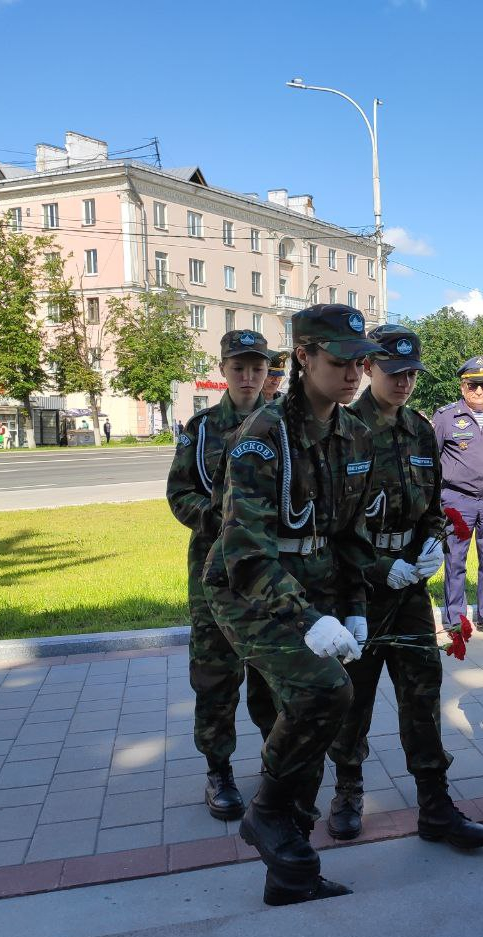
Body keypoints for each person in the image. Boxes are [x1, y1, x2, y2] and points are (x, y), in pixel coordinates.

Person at [202, 304, 382, 906]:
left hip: (317, 589)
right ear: (302, 358)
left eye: (360, 362)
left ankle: (292, 865)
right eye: (338, 361)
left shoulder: (354, 434)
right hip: (248, 590)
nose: (353, 373)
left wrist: (353, 606)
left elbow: (352, 536)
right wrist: (310, 620)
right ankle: (270, 812)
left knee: (316, 708)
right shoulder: (262, 437)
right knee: (324, 691)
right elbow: (245, 552)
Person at [326, 326, 483, 849]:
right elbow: (330, 526)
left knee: (422, 692)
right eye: (394, 373)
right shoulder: (342, 429)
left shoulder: (421, 431)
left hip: (409, 592)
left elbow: (430, 502)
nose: (404, 382)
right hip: (358, 588)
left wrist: (428, 544)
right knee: (355, 697)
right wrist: (379, 570)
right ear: (371, 368)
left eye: (412, 374)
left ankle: (434, 804)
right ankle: (348, 789)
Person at [167, 330, 279, 820]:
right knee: (215, 676)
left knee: (271, 674)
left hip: (268, 575)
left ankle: (275, 767)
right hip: (213, 575)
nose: (249, 377)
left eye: (258, 368)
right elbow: (179, 495)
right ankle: (219, 771)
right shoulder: (203, 428)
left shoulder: (282, 425)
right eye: (239, 367)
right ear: (223, 369)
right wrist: (227, 521)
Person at [432, 357, 483, 637]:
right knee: (455, 560)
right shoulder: (446, 417)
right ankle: (455, 619)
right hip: (458, 499)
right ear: (462, 386)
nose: (479, 391)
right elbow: (432, 460)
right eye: (472, 385)